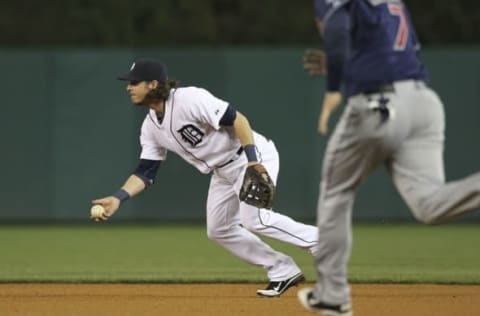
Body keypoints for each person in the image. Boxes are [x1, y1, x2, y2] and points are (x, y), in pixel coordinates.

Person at [297, 0, 480, 315]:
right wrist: (342, 64)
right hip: (423, 102)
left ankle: (333, 295)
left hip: (377, 105)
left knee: (335, 195)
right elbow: (386, 49)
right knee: (429, 205)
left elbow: (338, 26)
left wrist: (333, 87)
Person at [91, 58, 318, 297]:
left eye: (134, 82)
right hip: (222, 171)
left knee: (255, 219)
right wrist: (118, 198)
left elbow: (238, 119)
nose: (128, 87)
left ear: (153, 84)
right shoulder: (150, 126)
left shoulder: (189, 99)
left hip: (248, 156)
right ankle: (282, 270)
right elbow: (146, 171)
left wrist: (253, 161)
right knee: (218, 229)